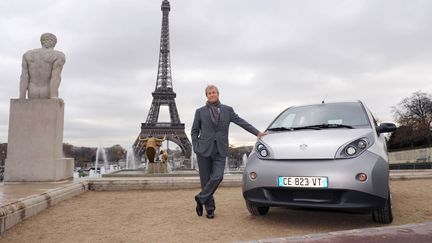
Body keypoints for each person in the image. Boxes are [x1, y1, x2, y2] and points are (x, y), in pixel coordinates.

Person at [191, 84, 266, 219]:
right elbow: (194, 131)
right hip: (203, 150)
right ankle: (210, 208)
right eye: (209, 93)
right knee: (205, 180)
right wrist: (196, 146)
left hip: (220, 149)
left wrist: (257, 133)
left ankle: (200, 198)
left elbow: (241, 122)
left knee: (218, 176)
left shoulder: (227, 110)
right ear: (206, 96)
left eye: (214, 92)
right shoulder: (200, 111)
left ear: (218, 94)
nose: (212, 94)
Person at [19, 33, 65, 99]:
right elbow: (55, 77)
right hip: (47, 92)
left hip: (32, 92)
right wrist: (54, 96)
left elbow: (24, 77)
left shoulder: (27, 54)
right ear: (54, 43)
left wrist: (21, 97)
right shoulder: (58, 55)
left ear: (42, 42)